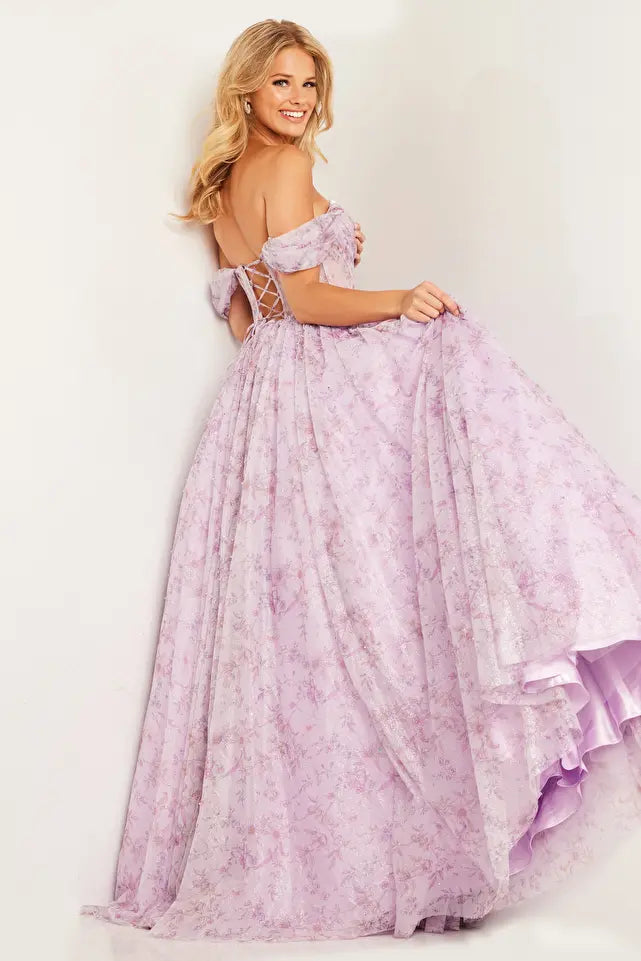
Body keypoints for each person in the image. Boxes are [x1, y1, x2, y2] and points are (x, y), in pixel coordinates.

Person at [80, 18, 641, 942]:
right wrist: (395, 298)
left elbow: (250, 321)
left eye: (309, 84)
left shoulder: (221, 185)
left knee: (303, 626)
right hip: (310, 395)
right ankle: (586, 584)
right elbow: (304, 300)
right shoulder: (286, 167)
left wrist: (323, 290)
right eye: (281, 83)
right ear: (247, 90)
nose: (299, 100)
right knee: (394, 546)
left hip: (255, 408)